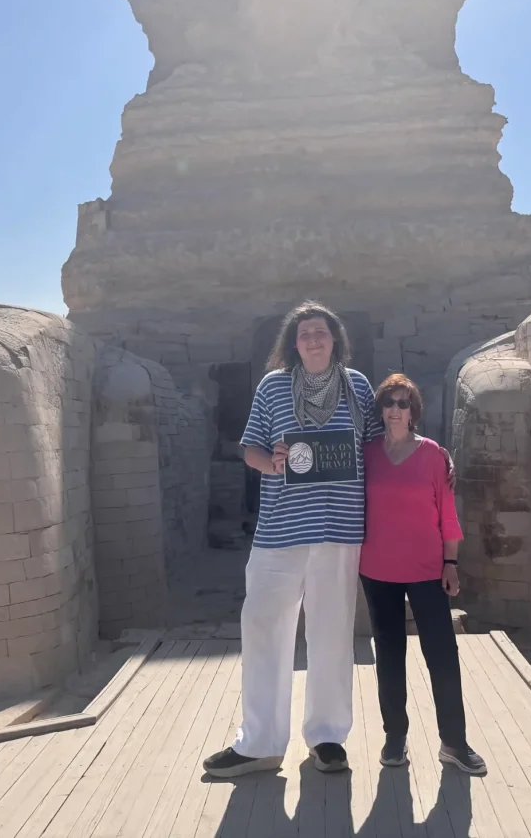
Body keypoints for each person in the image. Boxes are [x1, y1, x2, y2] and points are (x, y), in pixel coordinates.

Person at [203, 301, 381, 778]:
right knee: (263, 627)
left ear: (335, 337)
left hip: (339, 529)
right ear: (293, 343)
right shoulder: (273, 386)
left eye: (320, 331)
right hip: (281, 529)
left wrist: (426, 461)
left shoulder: (357, 387)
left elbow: (377, 449)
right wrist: (274, 462)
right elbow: (251, 449)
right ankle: (260, 742)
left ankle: (327, 738)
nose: (313, 339)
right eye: (305, 334)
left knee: (332, 634)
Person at [359, 373, 488, 776]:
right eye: (389, 403)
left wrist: (451, 563)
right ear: (380, 409)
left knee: (442, 654)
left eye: (403, 403)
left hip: (427, 569)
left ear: (413, 411)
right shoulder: (367, 454)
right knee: (389, 655)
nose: (395, 410)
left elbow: (447, 513)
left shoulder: (433, 455)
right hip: (377, 568)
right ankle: (395, 737)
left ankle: (454, 742)